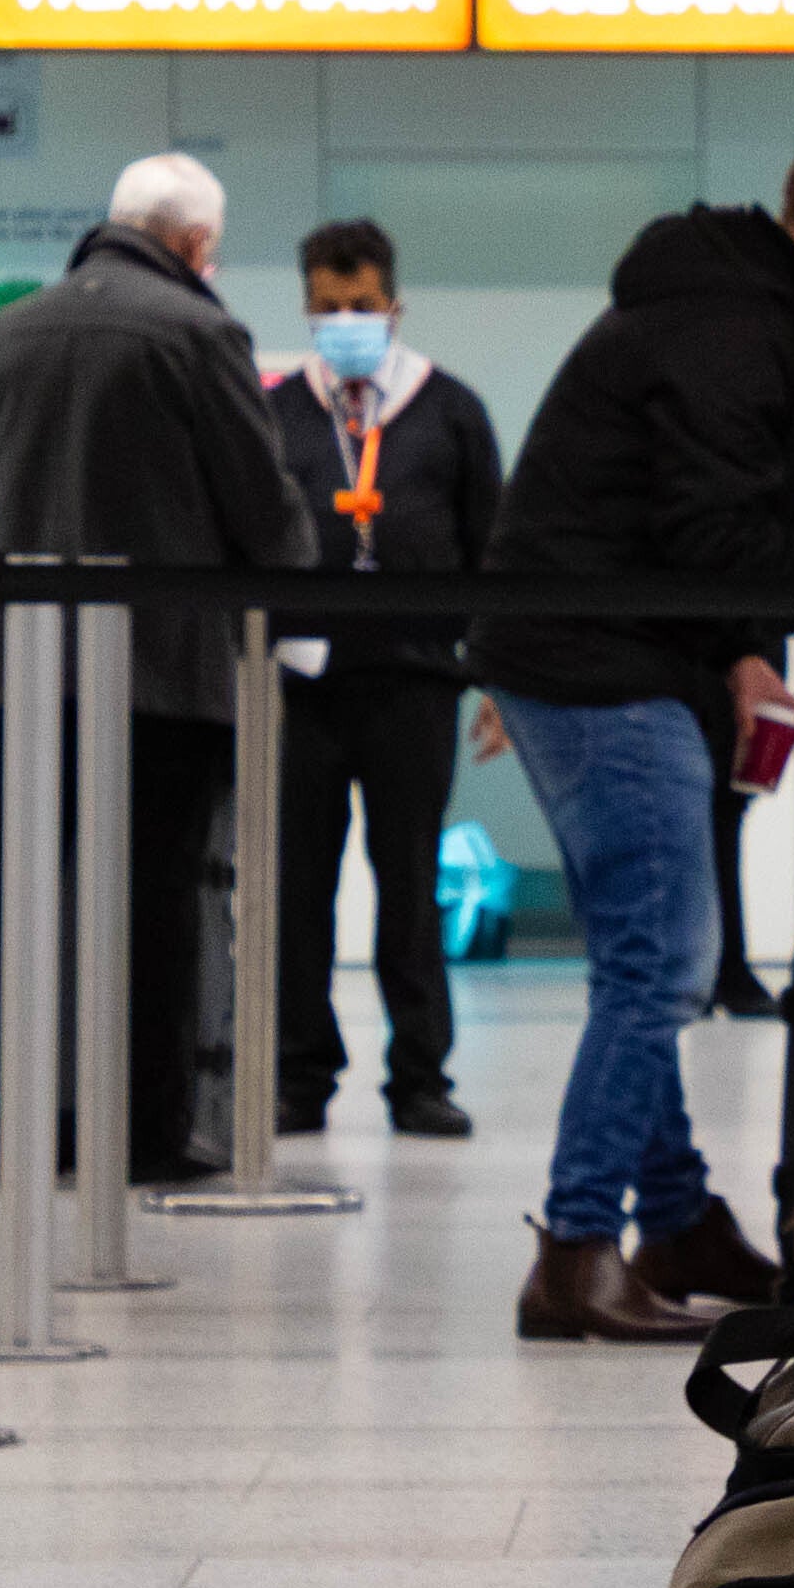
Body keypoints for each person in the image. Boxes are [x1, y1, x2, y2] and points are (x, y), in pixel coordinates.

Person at [472, 121, 794, 1343]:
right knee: (663, 967)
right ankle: (577, 1252)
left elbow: (700, 508)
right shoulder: (735, 327)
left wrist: (746, 648)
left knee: (643, 954)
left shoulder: (743, 311)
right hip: (601, 663)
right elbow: (713, 534)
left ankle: (681, 1219)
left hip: (604, 648)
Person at [0, 152, 312, 1189]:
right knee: (154, 899)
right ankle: (145, 1131)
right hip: (161, 673)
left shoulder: (14, 330)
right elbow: (264, 513)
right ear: (196, 244)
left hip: (22, 667)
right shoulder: (201, 333)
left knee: (15, 888)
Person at [262, 217, 504, 1140]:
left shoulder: (448, 410)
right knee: (299, 888)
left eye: (361, 306)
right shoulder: (279, 413)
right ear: (306, 310)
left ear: (393, 307)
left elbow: (493, 549)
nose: (345, 321)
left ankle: (419, 1080)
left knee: (408, 883)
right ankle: (298, 1076)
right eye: (327, 308)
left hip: (415, 681)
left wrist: (494, 677)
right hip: (301, 684)